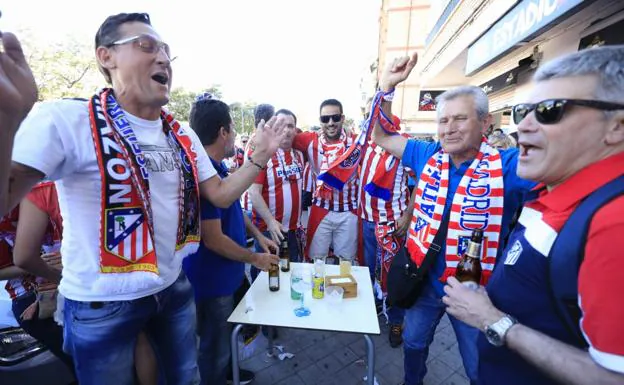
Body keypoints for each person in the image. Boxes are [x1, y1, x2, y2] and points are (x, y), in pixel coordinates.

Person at [0, 14, 285, 384]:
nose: (163, 58)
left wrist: (259, 158)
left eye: (166, 51)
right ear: (106, 56)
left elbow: (221, 193)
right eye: (147, 46)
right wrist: (9, 120)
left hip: (172, 286)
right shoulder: (66, 119)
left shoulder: (181, 133)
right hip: (99, 301)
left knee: (185, 378)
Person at [443, 45, 624, 385]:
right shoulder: (551, 190)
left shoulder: (614, 222)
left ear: (616, 125)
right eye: (522, 111)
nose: (522, 127)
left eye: (549, 110)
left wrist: (494, 321)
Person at [371, 53, 535, 385]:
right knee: (414, 345)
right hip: (424, 282)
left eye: (459, 119)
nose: (448, 128)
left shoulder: (509, 164)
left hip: (477, 293)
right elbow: (382, 137)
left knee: (478, 368)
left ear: (485, 123)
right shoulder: (428, 153)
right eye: (443, 121)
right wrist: (387, 89)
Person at [183, 97, 279, 385]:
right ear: (223, 132)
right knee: (214, 347)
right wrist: (255, 258)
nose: (236, 134)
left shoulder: (216, 170)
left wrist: (259, 236)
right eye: (233, 128)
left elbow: (235, 205)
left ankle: (228, 373)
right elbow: (213, 239)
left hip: (225, 278)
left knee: (224, 340)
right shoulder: (203, 179)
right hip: (213, 285)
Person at [0, 182, 73, 372]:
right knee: (89, 364)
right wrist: (39, 265)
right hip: (31, 294)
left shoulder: (52, 188)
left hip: (77, 280)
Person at [293, 99, 359, 260]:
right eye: (325, 119)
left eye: (335, 118)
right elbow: (285, 135)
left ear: (342, 118)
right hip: (321, 209)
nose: (330, 123)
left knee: (346, 262)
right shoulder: (310, 140)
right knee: (316, 260)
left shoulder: (357, 142)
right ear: (320, 121)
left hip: (349, 211)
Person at [250, 108, 304, 262]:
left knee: (292, 274)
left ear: (295, 130)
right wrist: (270, 221)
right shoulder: (263, 154)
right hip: (269, 231)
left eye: (290, 126)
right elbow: (253, 192)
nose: (286, 130)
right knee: (267, 278)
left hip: (293, 231)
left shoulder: (300, 155)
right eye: (281, 125)